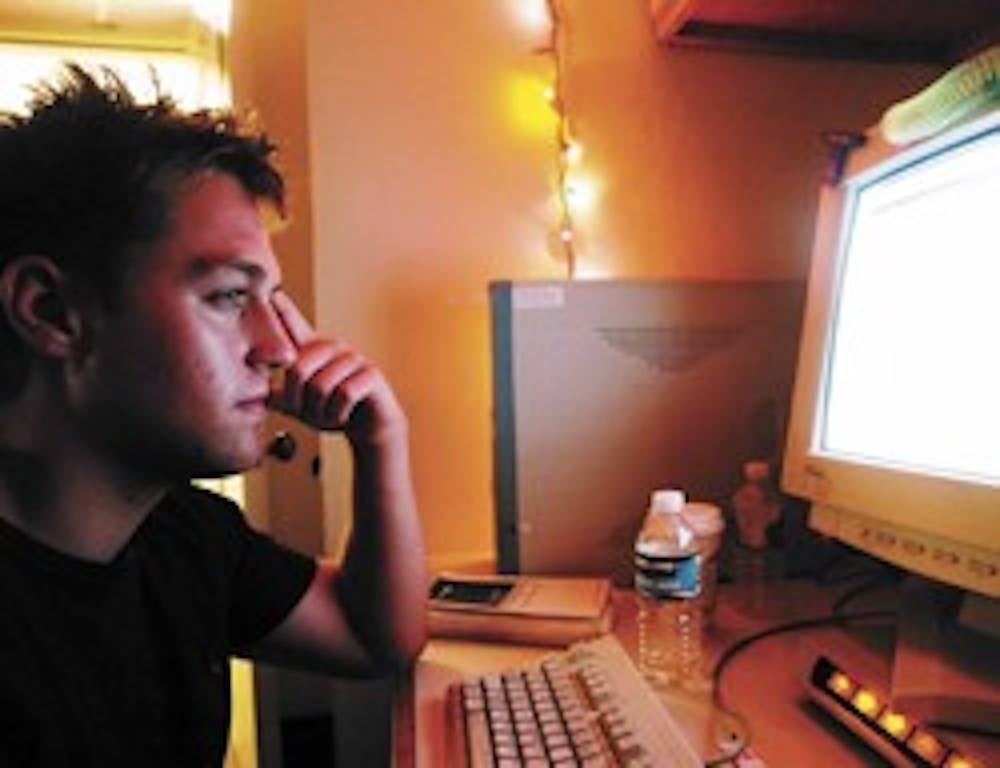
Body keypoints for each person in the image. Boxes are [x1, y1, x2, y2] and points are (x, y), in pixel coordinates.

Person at [0, 64, 427, 765]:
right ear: (52, 311)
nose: (281, 347)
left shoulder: (182, 533)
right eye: (231, 296)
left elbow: (373, 635)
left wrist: (382, 440)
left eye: (273, 301)